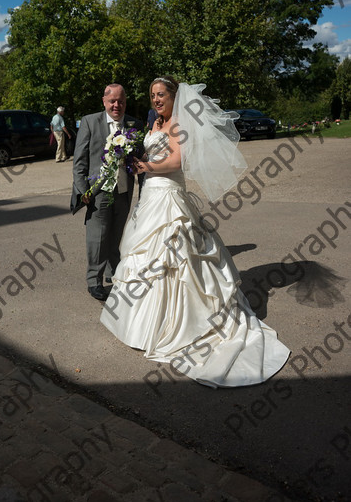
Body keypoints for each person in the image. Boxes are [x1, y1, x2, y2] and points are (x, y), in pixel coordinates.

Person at [100, 76, 290, 388]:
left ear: (174, 96)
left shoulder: (177, 124)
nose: (156, 99)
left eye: (161, 94)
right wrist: (137, 162)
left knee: (178, 260)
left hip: (170, 198)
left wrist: (148, 168)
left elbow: (177, 159)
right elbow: (154, 156)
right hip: (150, 198)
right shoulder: (155, 124)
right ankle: (142, 324)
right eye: (152, 95)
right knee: (145, 257)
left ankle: (184, 326)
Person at [71, 84, 143, 301]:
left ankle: (114, 274)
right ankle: (94, 280)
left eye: (120, 101)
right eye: (112, 101)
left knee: (117, 233)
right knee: (97, 238)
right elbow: (79, 160)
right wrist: (84, 191)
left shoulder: (134, 124)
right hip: (98, 191)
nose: (116, 105)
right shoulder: (90, 122)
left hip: (123, 189)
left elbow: (139, 159)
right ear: (104, 101)